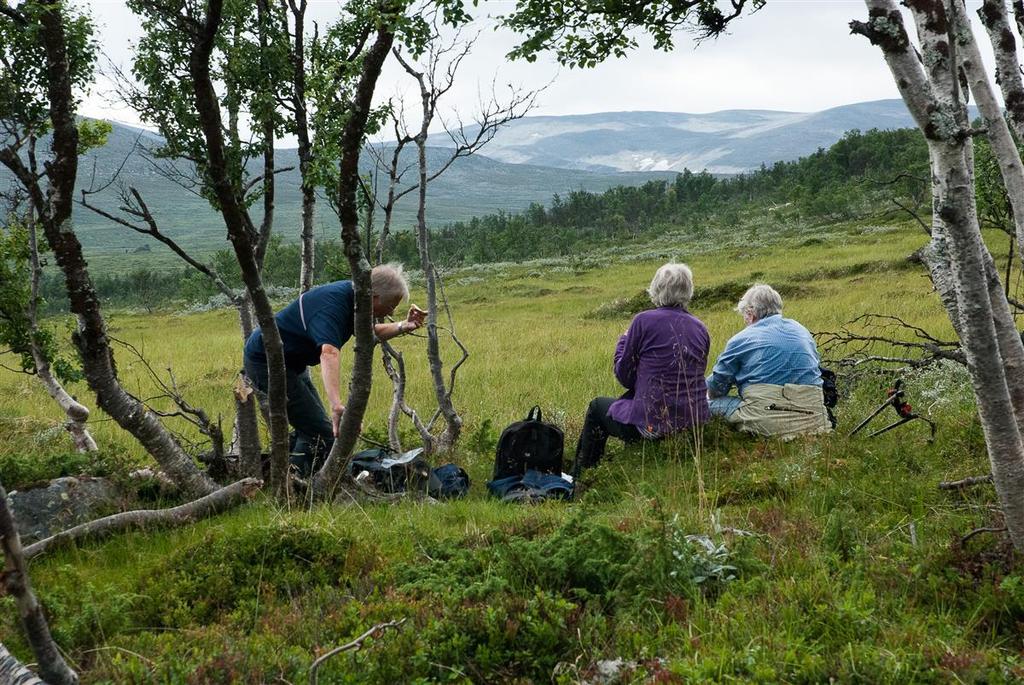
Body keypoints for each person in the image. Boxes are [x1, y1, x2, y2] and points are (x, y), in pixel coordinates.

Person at [242, 264, 425, 475]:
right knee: (320, 433)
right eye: (391, 304)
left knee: (315, 428)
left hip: (291, 363)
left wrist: (404, 325)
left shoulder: (354, 298)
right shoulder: (334, 305)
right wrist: (336, 405)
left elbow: (368, 332)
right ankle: (293, 489)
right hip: (265, 362)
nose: (392, 311)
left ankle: (284, 475)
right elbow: (329, 352)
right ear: (373, 296)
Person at [573, 262, 711, 473]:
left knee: (597, 408)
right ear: (688, 290)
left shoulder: (643, 321)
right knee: (630, 400)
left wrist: (623, 342)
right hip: (693, 424)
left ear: (656, 289)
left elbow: (624, 375)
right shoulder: (701, 328)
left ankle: (581, 474)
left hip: (654, 426)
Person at [707, 283, 831, 439]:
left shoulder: (740, 339)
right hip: (815, 418)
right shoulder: (802, 330)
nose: (745, 320)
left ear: (751, 313)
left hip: (769, 419)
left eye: (744, 314)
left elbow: (717, 388)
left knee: (700, 405)